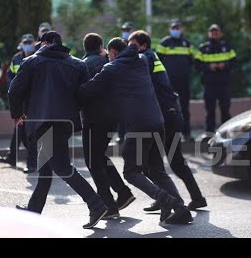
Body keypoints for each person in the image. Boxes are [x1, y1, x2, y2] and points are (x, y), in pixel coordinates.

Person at [79, 38, 193, 225]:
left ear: (113, 53)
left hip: (139, 125)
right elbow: (133, 55)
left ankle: (167, 200)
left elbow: (87, 90)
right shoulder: (141, 60)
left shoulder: (112, 68)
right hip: (158, 122)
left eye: (109, 55)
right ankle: (180, 209)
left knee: (131, 171)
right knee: (157, 170)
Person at [10, 31, 108, 229]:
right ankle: (34, 210)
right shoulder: (77, 64)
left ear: (45, 43)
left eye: (40, 43)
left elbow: (14, 89)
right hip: (65, 122)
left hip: (44, 121)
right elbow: (84, 93)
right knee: (46, 168)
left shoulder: (31, 62)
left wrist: (16, 113)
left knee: (61, 167)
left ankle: (96, 205)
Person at [129, 30, 208, 212]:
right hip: (168, 115)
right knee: (157, 163)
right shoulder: (149, 56)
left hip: (168, 116)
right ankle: (181, 198)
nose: (129, 48)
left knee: (167, 163)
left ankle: (183, 199)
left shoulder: (145, 58)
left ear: (143, 45)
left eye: (132, 45)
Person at [81, 33, 136, 218]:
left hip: (94, 119)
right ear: (100, 47)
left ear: (85, 47)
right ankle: (122, 192)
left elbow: (83, 92)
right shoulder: (108, 62)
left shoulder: (84, 64)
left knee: (93, 161)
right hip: (112, 119)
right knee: (99, 157)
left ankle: (109, 205)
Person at [0, 34, 38, 173]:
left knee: (30, 133)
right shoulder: (16, 58)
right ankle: (17, 156)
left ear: (34, 43)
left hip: (32, 101)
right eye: (25, 42)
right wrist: (14, 87)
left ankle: (32, 163)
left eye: (30, 42)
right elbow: (10, 75)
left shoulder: (37, 57)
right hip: (20, 101)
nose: (27, 44)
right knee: (20, 132)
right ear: (21, 44)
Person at [156, 20, 195, 141]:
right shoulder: (164, 43)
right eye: (173, 28)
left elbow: (192, 61)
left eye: (178, 27)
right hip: (168, 82)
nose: (176, 30)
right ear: (169, 29)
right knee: (168, 108)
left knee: (184, 108)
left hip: (184, 81)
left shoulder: (187, 43)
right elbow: (157, 61)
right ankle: (169, 135)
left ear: (182, 29)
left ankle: (187, 134)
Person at [195, 24, 237, 133]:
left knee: (225, 110)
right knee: (210, 111)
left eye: (216, 33)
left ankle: (226, 132)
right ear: (209, 34)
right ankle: (209, 133)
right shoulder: (203, 48)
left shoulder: (227, 47)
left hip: (224, 84)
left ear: (221, 34)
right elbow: (196, 65)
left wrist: (225, 65)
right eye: (212, 33)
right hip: (209, 85)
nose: (214, 35)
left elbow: (234, 63)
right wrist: (209, 67)